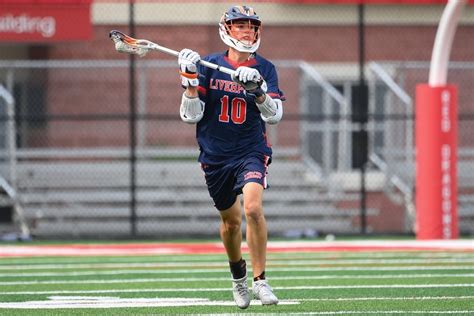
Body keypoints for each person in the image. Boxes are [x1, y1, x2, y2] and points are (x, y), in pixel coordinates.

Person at [177, 5, 284, 309]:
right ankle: (238, 278)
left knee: (252, 208)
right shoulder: (208, 65)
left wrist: (258, 91)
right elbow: (191, 116)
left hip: (251, 149)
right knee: (231, 223)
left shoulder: (265, 68)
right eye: (240, 26)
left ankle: (261, 281)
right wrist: (189, 82)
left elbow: (275, 116)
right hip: (216, 155)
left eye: (251, 26)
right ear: (226, 30)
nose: (247, 31)